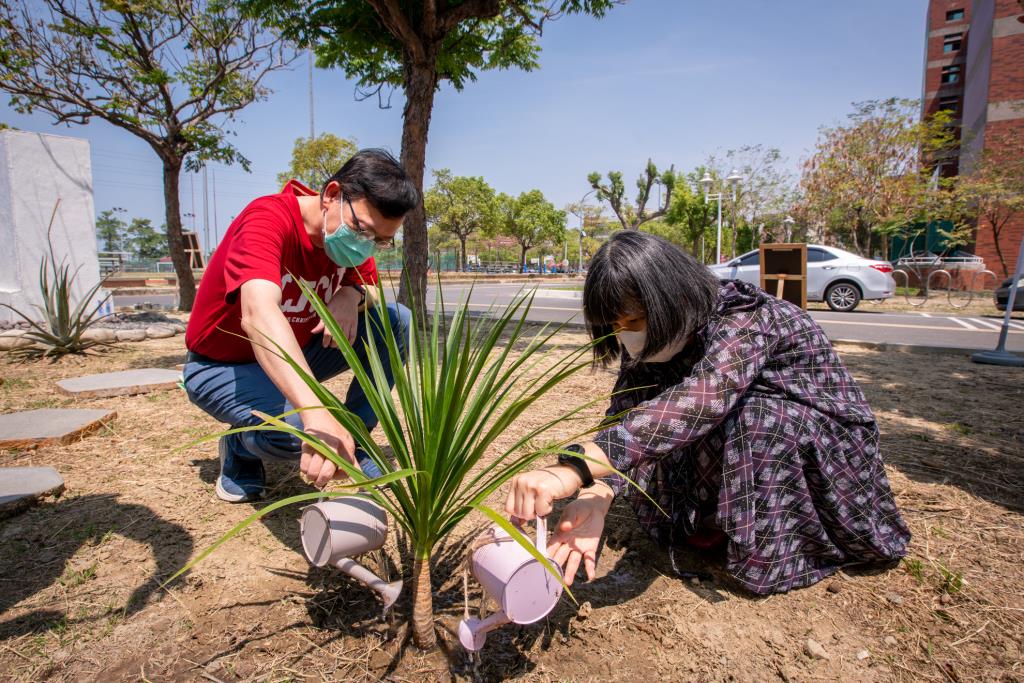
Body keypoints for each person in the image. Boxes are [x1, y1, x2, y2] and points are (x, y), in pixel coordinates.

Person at [507, 231, 910, 595]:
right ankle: (712, 520)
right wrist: (597, 494)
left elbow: (701, 401)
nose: (626, 335)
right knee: (664, 421)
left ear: (672, 298)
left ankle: (787, 546)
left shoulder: (747, 318)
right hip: (735, 430)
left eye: (634, 320)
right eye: (613, 326)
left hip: (821, 441)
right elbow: (628, 413)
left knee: (756, 418)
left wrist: (575, 467)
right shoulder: (656, 340)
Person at [183, 149, 417, 503]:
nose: (365, 246)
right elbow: (258, 315)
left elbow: (370, 287)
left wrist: (350, 295)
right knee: (297, 432)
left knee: (397, 319)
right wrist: (315, 414)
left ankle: (357, 438)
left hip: (299, 354)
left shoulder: (345, 242)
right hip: (222, 365)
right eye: (362, 230)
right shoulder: (267, 218)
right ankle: (240, 445)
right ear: (332, 195)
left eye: (380, 241)